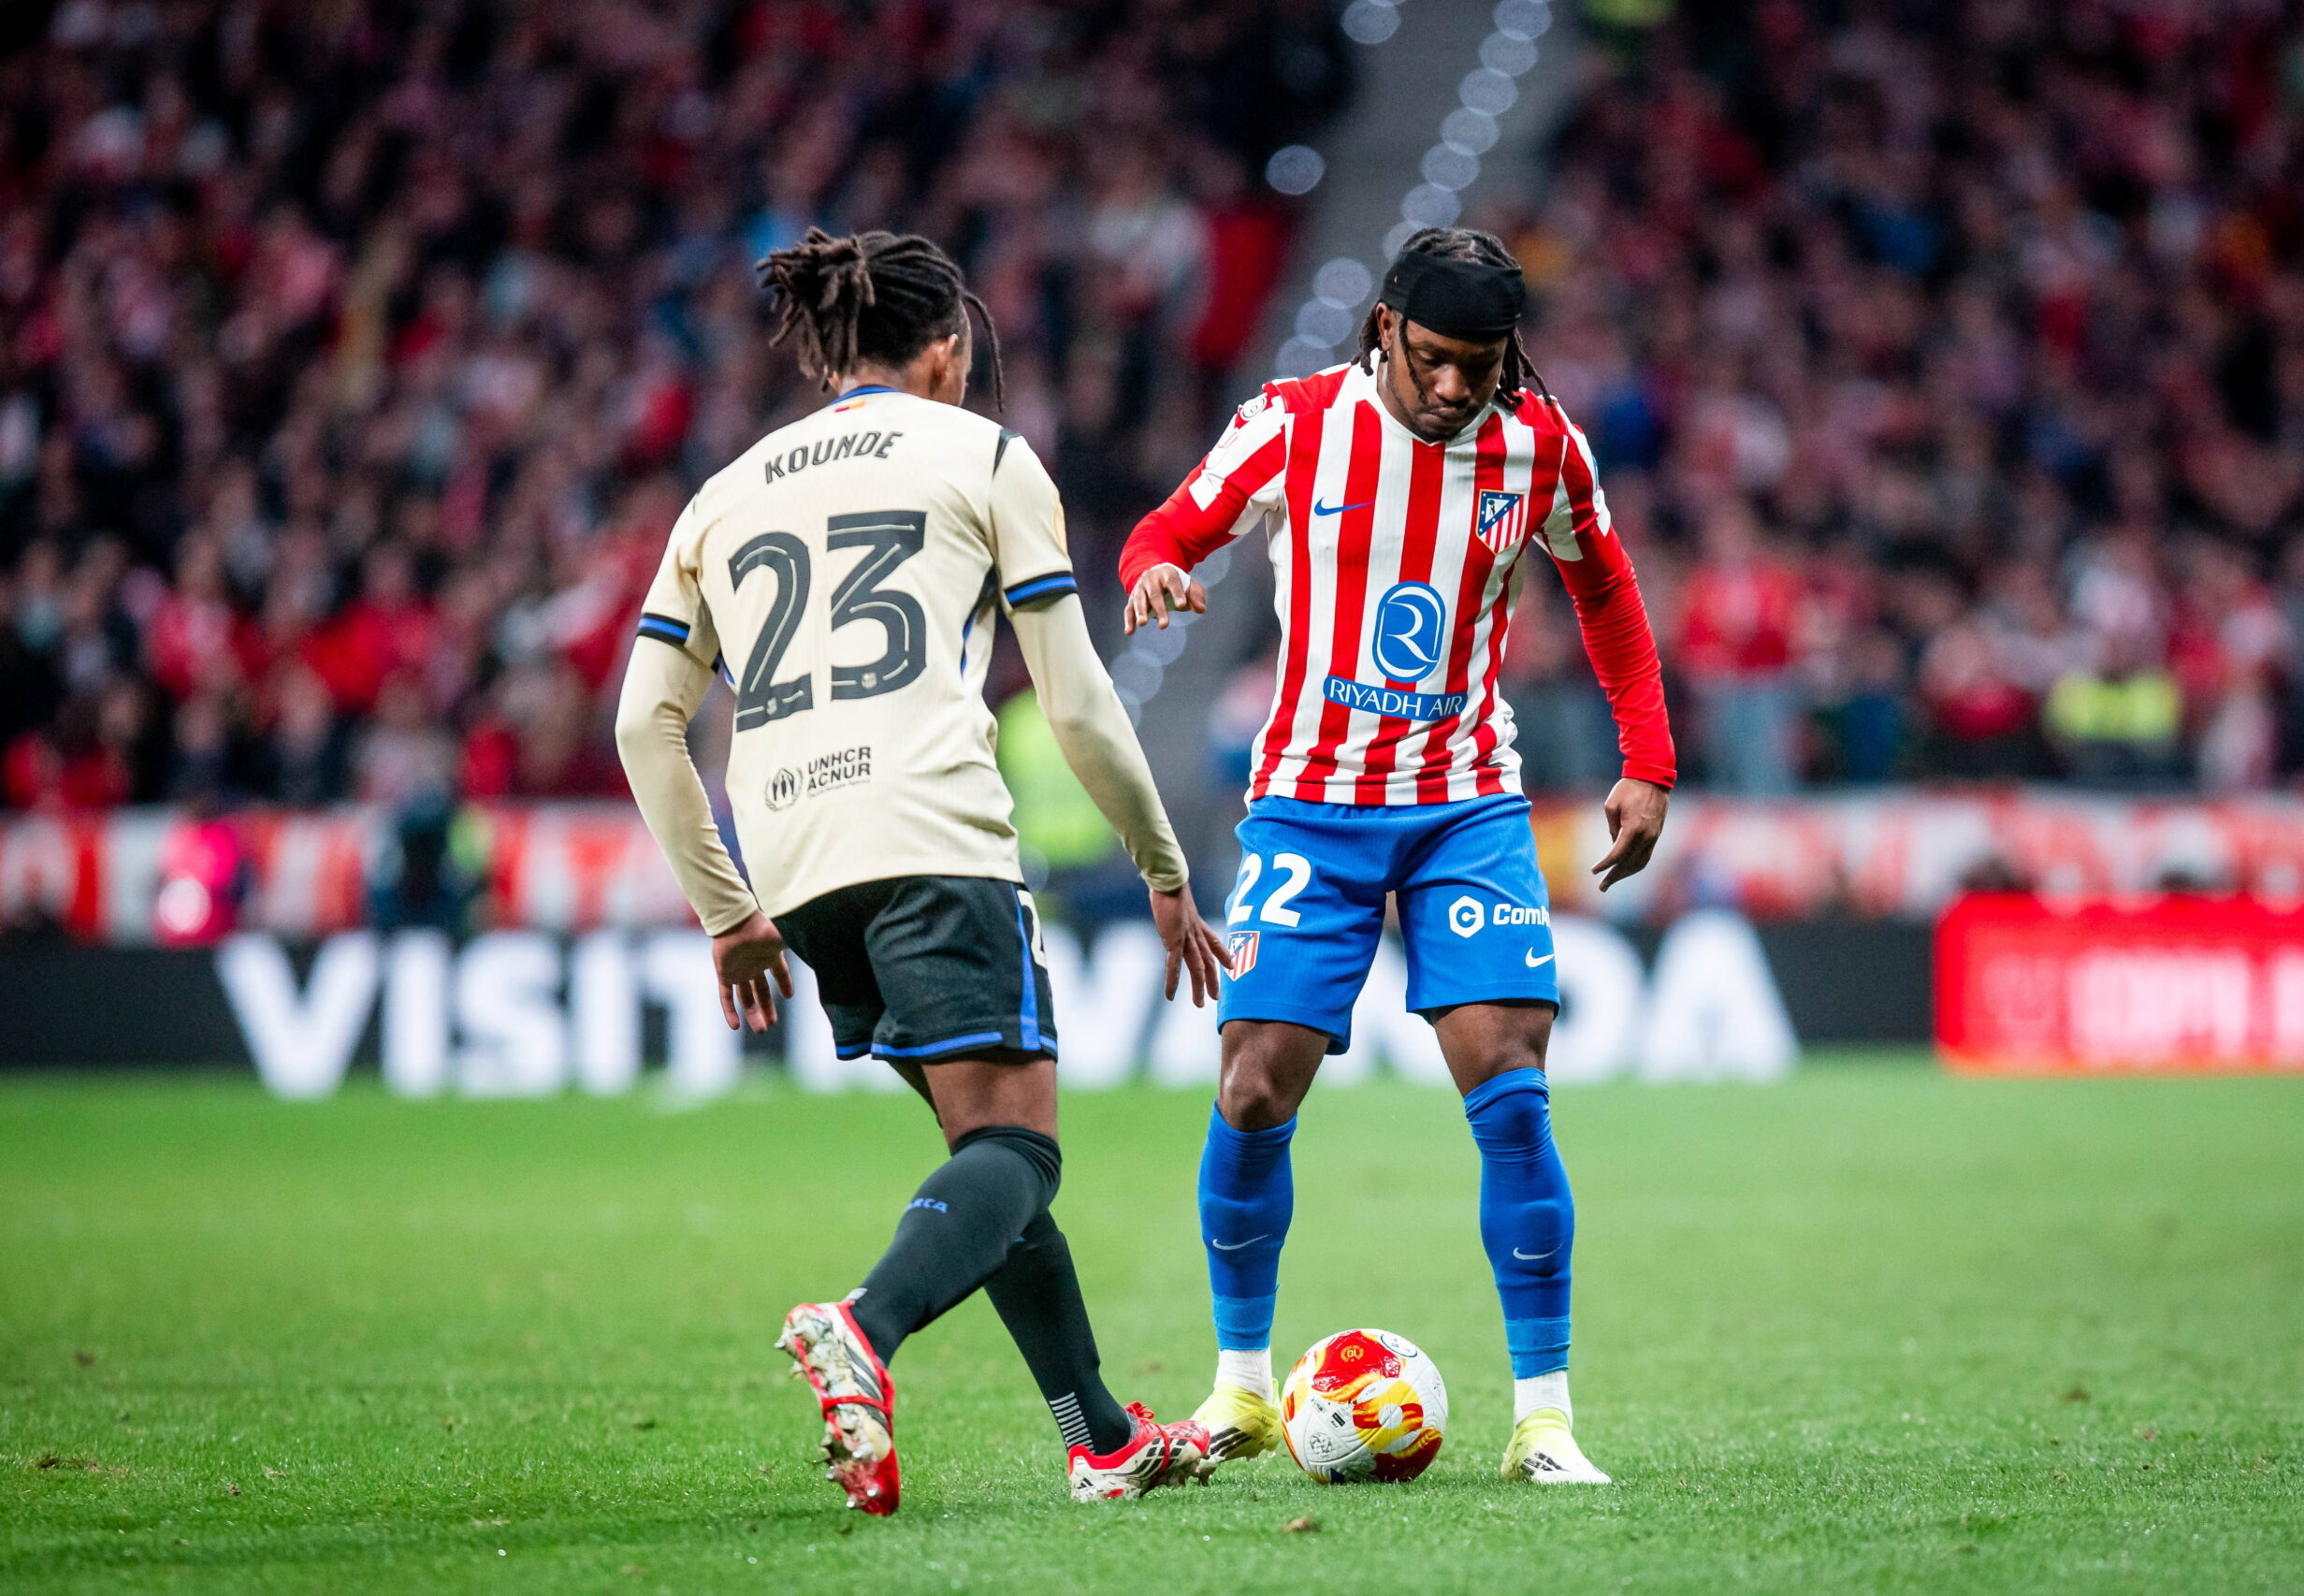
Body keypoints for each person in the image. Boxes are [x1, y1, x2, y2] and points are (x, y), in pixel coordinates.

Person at [616, 228, 1227, 1514]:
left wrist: (729, 913)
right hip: (927, 831)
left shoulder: (722, 493)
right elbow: (1076, 702)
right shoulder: (986, 452)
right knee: (1019, 1150)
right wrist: (1166, 867)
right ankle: (864, 1324)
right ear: (947, 349)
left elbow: (643, 725)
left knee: (981, 1152)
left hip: (790, 859)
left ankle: (1103, 1437)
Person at [1120, 228, 1675, 1485]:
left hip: (1464, 803)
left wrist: (1646, 756)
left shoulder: (1539, 444)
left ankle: (1543, 1416)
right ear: (1383, 329)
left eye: (1477, 366)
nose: (1451, 387)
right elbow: (1165, 529)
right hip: (1307, 803)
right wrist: (1154, 573)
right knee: (1257, 1081)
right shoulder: (1292, 424)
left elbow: (1608, 590)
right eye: (1431, 359)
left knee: (1510, 1078)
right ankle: (1243, 1391)